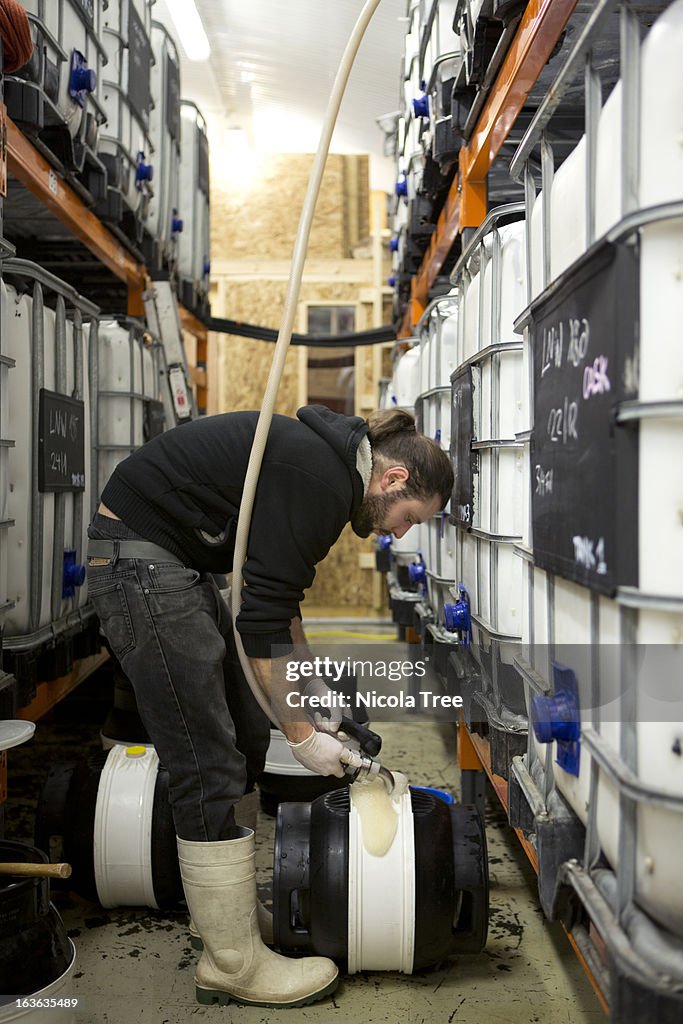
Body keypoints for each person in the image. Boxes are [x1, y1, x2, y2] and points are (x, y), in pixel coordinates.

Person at [85, 404, 453, 1008]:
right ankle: (230, 963)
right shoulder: (322, 478)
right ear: (393, 480)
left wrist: (312, 692)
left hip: (175, 564)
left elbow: (279, 596)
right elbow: (258, 622)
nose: (400, 533)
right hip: (142, 567)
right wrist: (304, 734)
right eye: (410, 518)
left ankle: (229, 917)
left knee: (250, 740)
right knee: (205, 759)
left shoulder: (327, 469)